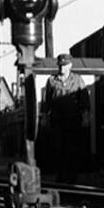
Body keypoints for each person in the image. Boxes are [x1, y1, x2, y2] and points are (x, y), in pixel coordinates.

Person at [43, 53, 84, 181]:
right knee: (58, 148)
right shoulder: (51, 81)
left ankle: (72, 176)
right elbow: (47, 102)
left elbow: (84, 100)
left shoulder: (77, 80)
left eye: (64, 65)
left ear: (70, 66)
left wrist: (86, 117)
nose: (62, 68)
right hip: (57, 121)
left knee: (72, 148)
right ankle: (61, 176)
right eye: (60, 65)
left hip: (73, 120)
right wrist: (44, 117)